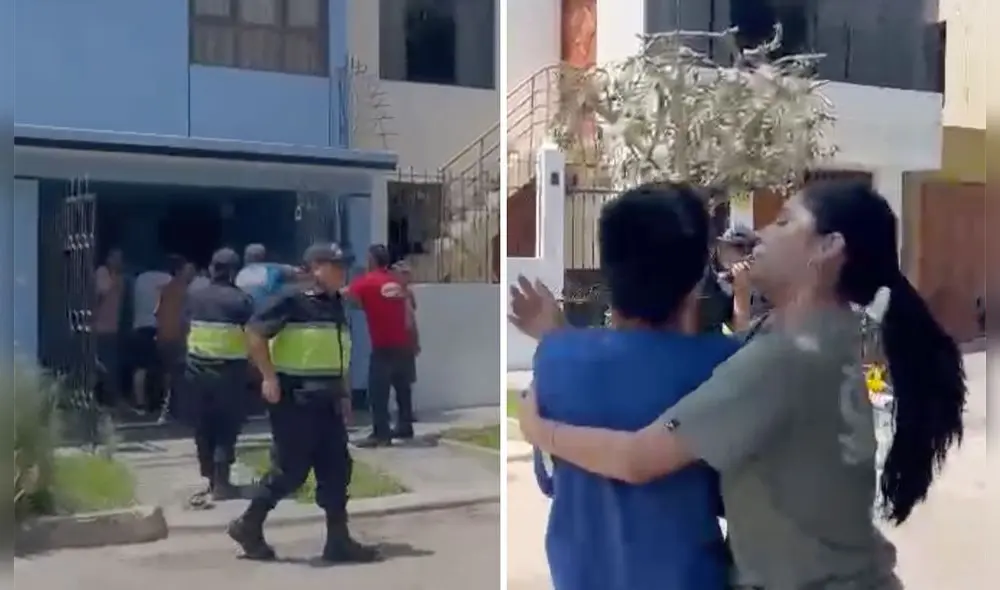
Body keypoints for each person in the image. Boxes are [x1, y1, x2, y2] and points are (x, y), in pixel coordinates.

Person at [511, 181, 967, 589]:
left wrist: (538, 428)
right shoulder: (822, 333)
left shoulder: (779, 361)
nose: (761, 233)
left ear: (828, 248)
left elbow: (635, 458)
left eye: (785, 220)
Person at [530, 183, 738, 590]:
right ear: (698, 277)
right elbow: (737, 498)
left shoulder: (554, 358)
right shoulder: (725, 364)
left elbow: (549, 480)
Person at [229, 242, 378, 563]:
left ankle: (338, 541)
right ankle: (248, 524)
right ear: (314, 268)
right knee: (291, 471)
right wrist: (268, 377)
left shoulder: (336, 303)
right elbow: (254, 334)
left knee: (337, 469)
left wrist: (345, 394)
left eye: (344, 266)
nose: (343, 272)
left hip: (328, 401)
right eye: (336, 266)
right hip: (296, 401)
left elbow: (339, 353)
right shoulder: (291, 299)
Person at [181, 248, 253, 503]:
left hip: (196, 370)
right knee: (226, 427)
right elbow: (253, 336)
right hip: (229, 373)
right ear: (234, 272)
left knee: (203, 425)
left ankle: (210, 476)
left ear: (212, 268)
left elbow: (185, 327)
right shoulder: (241, 300)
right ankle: (222, 483)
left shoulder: (194, 296)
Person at [346, 245, 414, 447]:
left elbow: (351, 301)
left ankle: (381, 433)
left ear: (371, 260)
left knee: (378, 392)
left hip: (383, 345)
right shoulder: (397, 281)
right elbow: (409, 313)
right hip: (403, 343)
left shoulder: (366, 282)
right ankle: (405, 426)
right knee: (403, 388)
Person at [154, 257, 196, 420]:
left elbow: (156, 312)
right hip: (178, 338)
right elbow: (187, 318)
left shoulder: (164, 289)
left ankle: (167, 410)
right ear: (179, 271)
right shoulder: (186, 291)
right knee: (182, 376)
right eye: (188, 270)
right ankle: (179, 411)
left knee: (170, 374)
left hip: (163, 337)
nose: (191, 273)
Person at [131, 259, 172, 413]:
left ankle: (140, 403)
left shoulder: (139, 279)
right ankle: (166, 403)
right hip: (159, 327)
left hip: (140, 326)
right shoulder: (168, 279)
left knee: (141, 367)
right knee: (166, 367)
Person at [94, 248, 125, 408]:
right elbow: (99, 294)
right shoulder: (102, 273)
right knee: (104, 365)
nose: (119, 261)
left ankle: (109, 399)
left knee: (110, 365)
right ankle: (104, 399)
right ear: (108, 258)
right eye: (116, 257)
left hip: (112, 328)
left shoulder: (118, 278)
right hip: (100, 328)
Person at [391, 260, 420, 415]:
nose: (407, 277)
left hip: (407, 340)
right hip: (395, 341)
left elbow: (412, 318)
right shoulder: (391, 292)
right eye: (403, 274)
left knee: (407, 380)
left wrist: (416, 341)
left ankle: (406, 413)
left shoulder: (408, 293)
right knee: (396, 378)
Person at [234, 244, 301, 311]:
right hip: (266, 308)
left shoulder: (241, 273)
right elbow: (296, 271)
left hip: (245, 308)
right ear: (264, 256)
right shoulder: (273, 269)